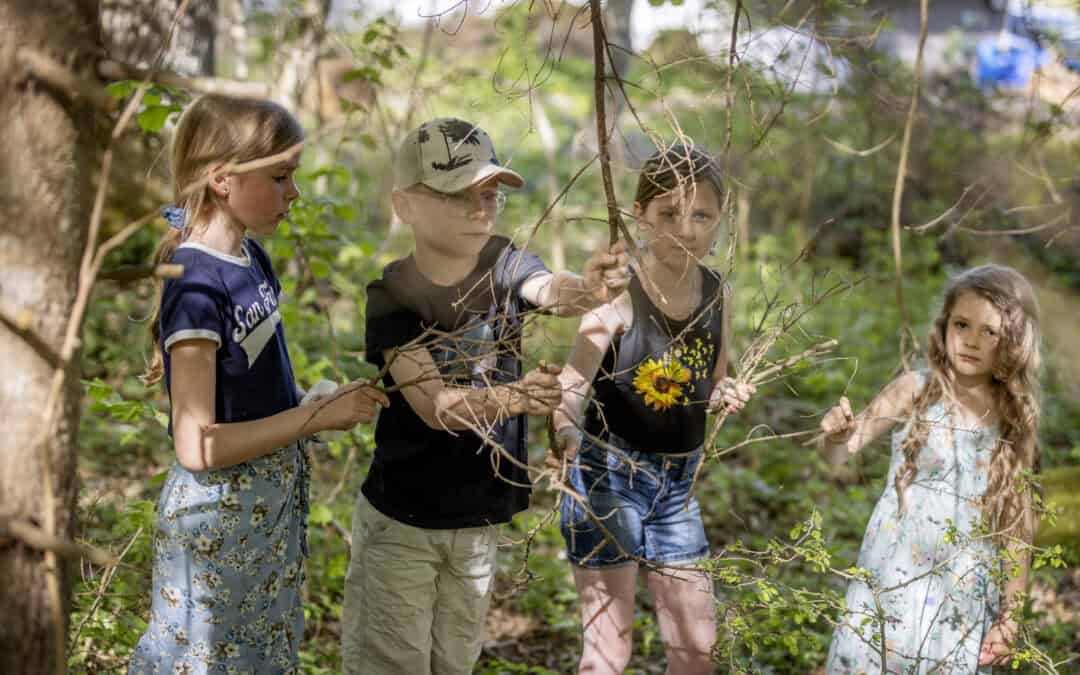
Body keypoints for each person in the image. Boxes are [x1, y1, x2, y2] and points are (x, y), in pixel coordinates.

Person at [340, 117, 631, 675]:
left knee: (455, 660)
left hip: (476, 520)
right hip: (404, 523)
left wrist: (589, 288)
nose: (481, 209)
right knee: (392, 663)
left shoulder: (504, 261)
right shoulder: (393, 295)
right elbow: (433, 407)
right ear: (407, 205)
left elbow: (551, 291)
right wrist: (517, 397)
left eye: (491, 194)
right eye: (458, 195)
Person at [129, 94, 387, 674]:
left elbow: (258, 390)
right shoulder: (195, 285)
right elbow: (197, 447)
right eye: (280, 176)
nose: (294, 192)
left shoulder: (251, 260)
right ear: (222, 178)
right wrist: (313, 419)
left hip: (266, 511)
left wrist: (312, 403)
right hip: (217, 524)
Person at [551, 142, 754, 675]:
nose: (686, 229)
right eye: (669, 213)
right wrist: (566, 431)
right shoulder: (619, 293)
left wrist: (724, 392)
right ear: (640, 214)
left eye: (702, 215)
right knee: (608, 652)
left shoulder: (717, 292)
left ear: (719, 221)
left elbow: (710, 379)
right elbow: (575, 377)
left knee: (695, 651)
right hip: (608, 473)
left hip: (677, 487)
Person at [822, 264, 1042, 673]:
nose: (971, 341)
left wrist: (1010, 618)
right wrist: (836, 437)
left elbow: (1017, 527)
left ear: (1012, 341)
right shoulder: (915, 391)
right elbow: (839, 455)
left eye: (989, 331)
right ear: (944, 326)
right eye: (962, 324)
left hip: (963, 590)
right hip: (893, 574)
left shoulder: (1013, 418)